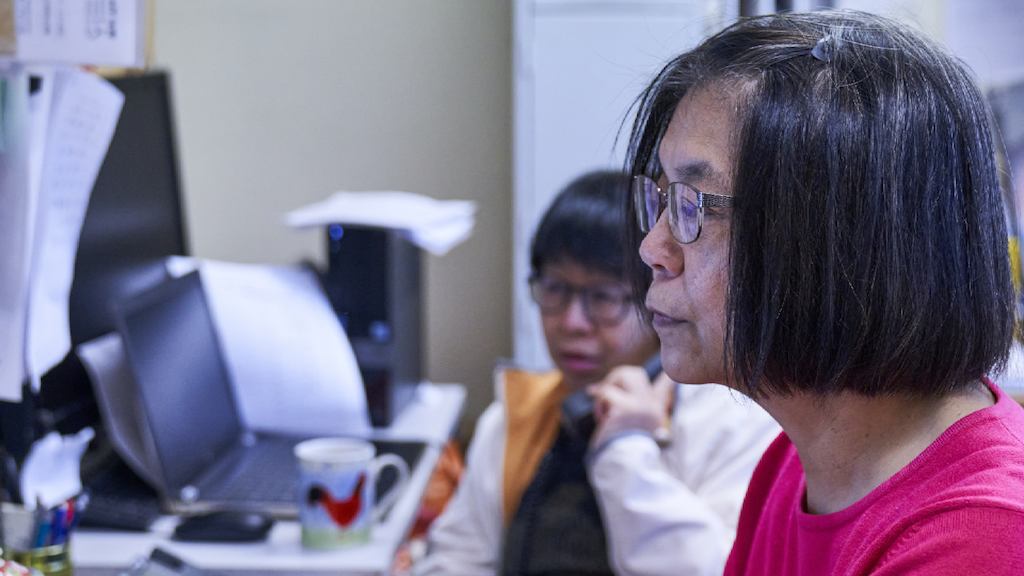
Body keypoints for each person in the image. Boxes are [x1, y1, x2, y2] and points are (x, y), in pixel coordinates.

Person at [624, 9, 1024, 575]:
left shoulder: (984, 537)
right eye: (661, 200)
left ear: (836, 235)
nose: (652, 249)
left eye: (691, 205)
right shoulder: (796, 462)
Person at [415, 170, 777, 575]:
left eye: (603, 297)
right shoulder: (516, 415)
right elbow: (457, 560)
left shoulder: (730, 422)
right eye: (555, 289)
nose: (572, 322)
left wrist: (626, 449)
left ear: (656, 299)